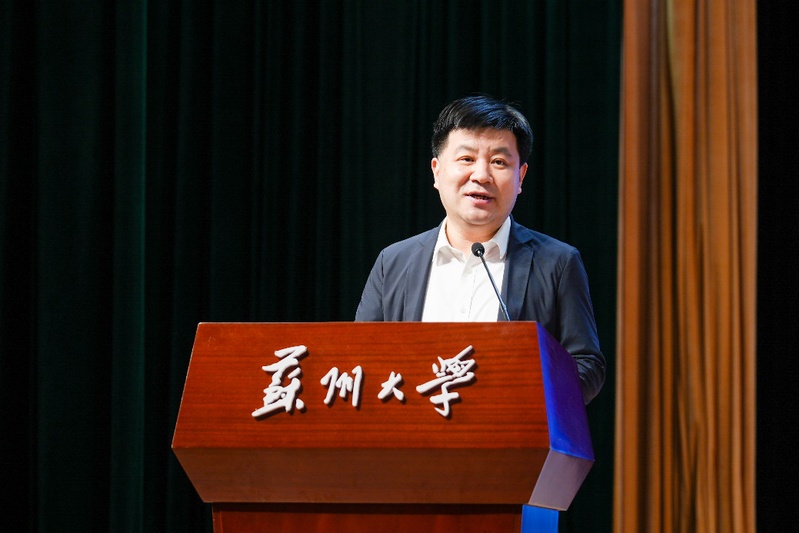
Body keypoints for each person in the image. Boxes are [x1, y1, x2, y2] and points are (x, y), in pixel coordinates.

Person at [355, 95, 604, 403]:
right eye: (466, 159)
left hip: (512, 432)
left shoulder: (557, 263)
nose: (482, 175)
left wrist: (522, 396)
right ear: (436, 171)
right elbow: (360, 360)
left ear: (520, 177)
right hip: (412, 431)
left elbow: (587, 366)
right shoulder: (393, 262)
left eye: (499, 162)